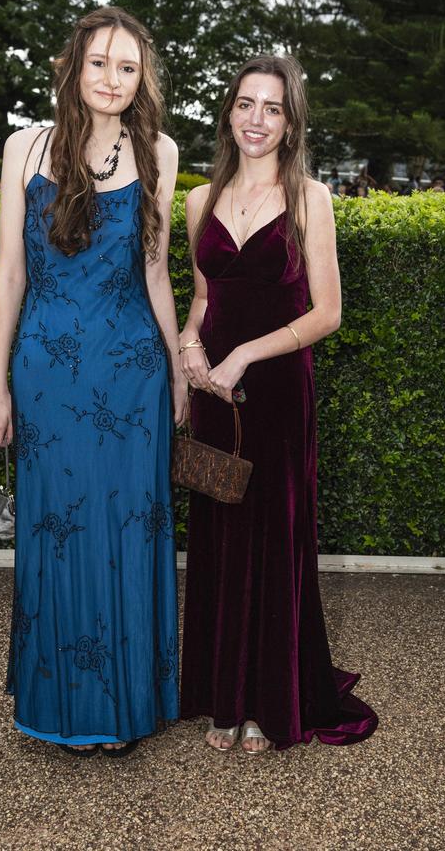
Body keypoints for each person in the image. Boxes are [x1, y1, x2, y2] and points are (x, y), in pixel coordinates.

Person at [0, 6, 184, 759]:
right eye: (99, 62)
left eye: (127, 67)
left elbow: (157, 273)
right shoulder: (23, 147)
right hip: (44, 372)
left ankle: (124, 707)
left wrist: (175, 371)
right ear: (73, 66)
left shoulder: (159, 149)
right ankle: (61, 707)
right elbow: (10, 274)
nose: (111, 79)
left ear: (142, 79)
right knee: (55, 534)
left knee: (128, 535)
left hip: (131, 373)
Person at [179, 54, 378, 754]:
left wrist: (243, 355)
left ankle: (271, 696)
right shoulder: (199, 198)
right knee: (219, 536)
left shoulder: (311, 198)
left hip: (275, 392)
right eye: (245, 104)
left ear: (291, 122)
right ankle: (222, 694)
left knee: (271, 536)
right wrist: (191, 346)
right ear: (228, 112)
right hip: (214, 394)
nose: (256, 120)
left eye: (272, 108)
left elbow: (328, 313)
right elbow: (204, 299)